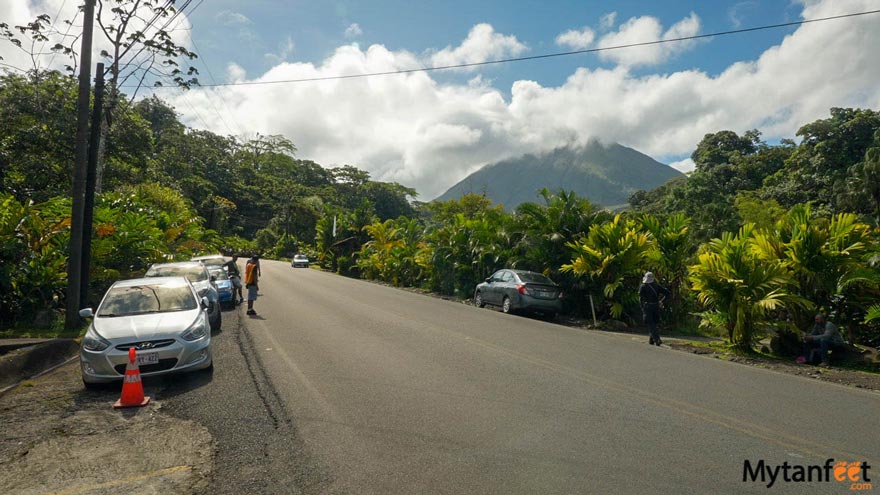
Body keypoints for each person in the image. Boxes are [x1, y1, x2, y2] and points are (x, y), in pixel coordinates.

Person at [639, 272, 671, 346]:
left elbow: (640, 298)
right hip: (656, 306)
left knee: (651, 323)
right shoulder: (657, 286)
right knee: (655, 323)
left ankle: (657, 339)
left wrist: (642, 307)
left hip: (648, 307)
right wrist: (661, 301)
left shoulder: (643, 286)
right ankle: (651, 340)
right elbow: (667, 293)